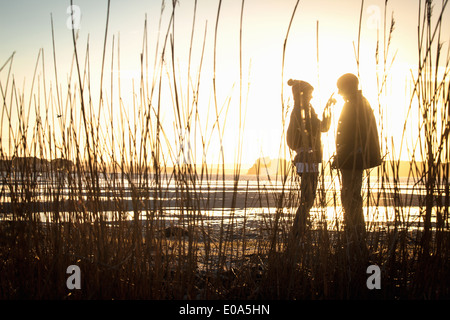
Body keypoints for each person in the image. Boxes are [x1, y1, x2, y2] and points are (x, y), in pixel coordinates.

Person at [333, 73, 381, 258]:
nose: (339, 93)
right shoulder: (357, 102)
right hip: (350, 158)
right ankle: (353, 235)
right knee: (350, 195)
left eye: (341, 89)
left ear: (349, 87)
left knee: (350, 196)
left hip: (352, 159)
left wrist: (347, 153)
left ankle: (354, 236)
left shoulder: (357, 104)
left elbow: (358, 135)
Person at [286, 79, 334, 240]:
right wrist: (328, 109)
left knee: (308, 197)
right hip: (307, 158)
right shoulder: (303, 111)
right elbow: (323, 127)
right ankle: (298, 231)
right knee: (308, 197)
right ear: (302, 95)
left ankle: (300, 229)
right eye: (310, 95)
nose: (312, 98)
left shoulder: (301, 110)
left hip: (305, 157)